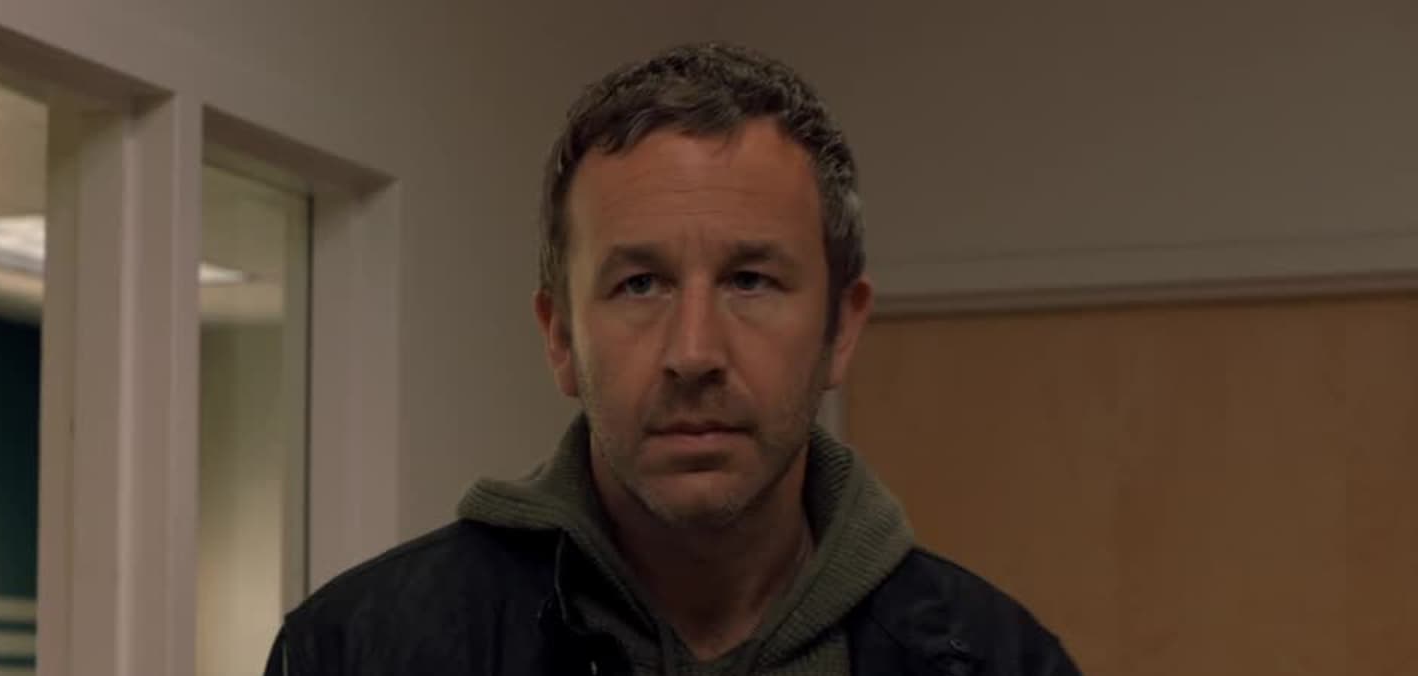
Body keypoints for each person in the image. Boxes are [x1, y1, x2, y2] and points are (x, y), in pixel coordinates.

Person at [265, 42, 1080, 676]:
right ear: (560, 338)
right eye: (640, 284)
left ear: (840, 330)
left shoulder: (999, 660)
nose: (694, 353)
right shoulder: (359, 650)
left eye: (751, 280)